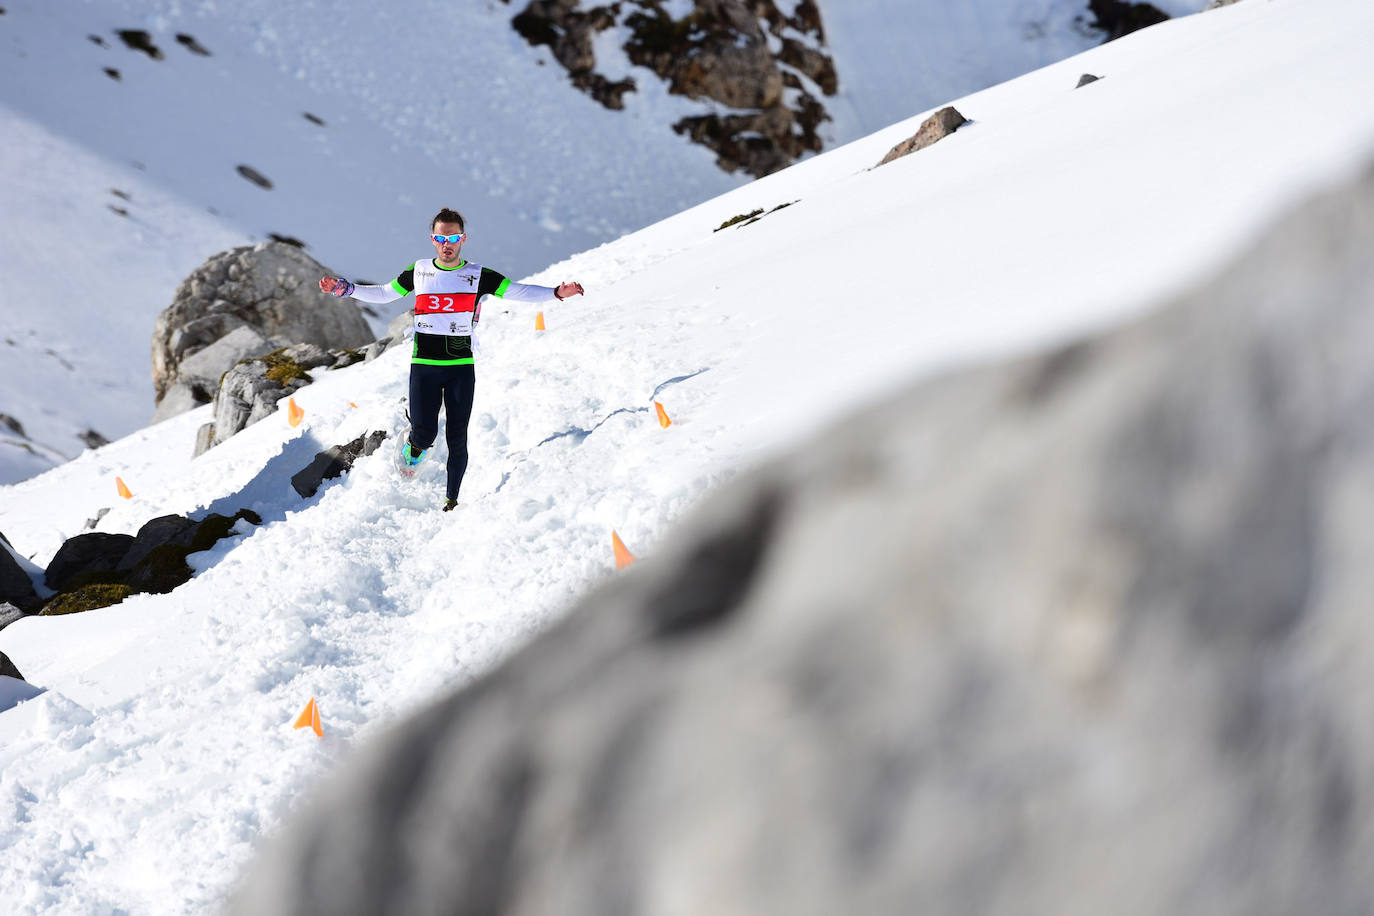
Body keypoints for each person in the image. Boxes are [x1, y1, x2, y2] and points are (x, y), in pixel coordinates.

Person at [319, 207, 584, 511]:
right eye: (441, 237)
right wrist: (345, 289)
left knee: (457, 436)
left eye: (453, 237)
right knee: (426, 433)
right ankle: (415, 444)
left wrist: (556, 293)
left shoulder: (478, 275)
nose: (447, 243)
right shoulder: (419, 271)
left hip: (460, 367)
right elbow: (384, 294)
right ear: (433, 239)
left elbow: (517, 291)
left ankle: (452, 500)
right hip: (425, 366)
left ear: (463, 239)